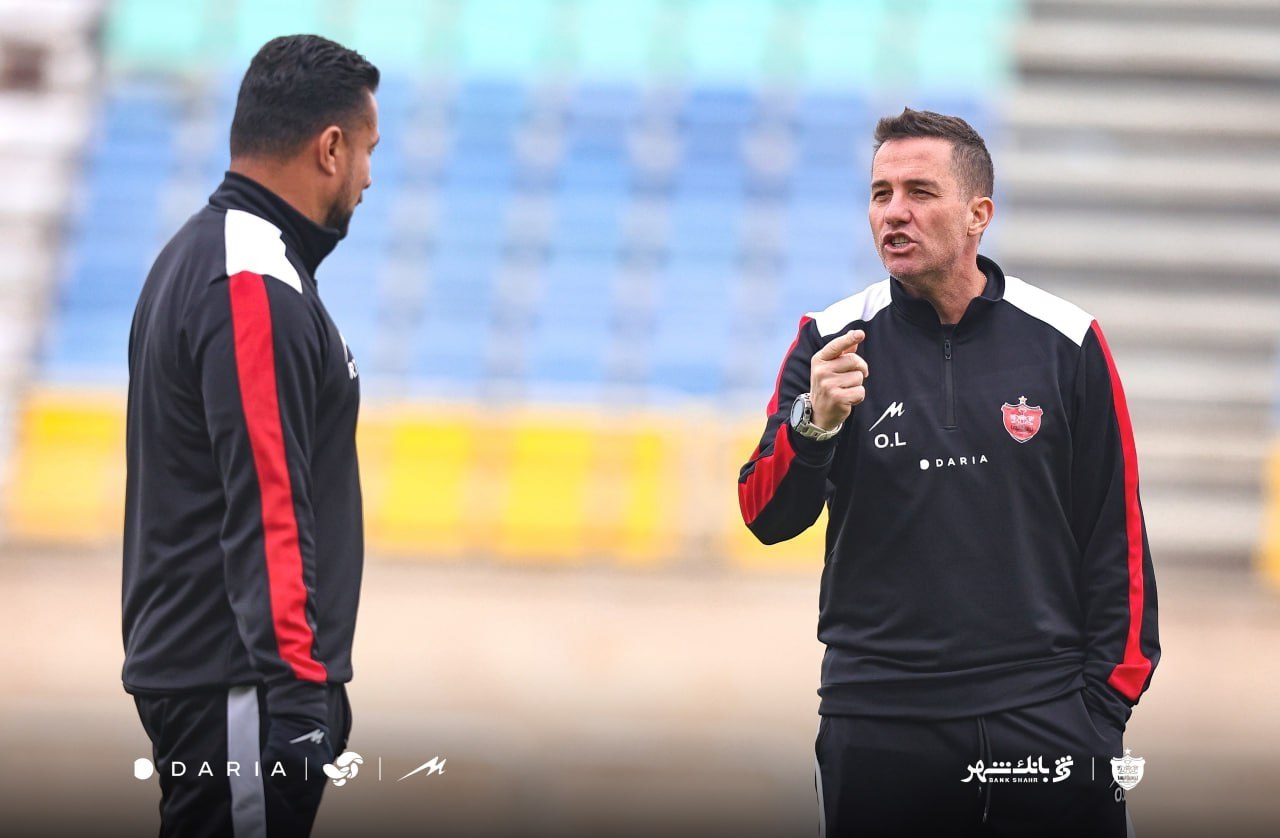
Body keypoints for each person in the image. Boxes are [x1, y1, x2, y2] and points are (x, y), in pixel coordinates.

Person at [737, 109, 1159, 836]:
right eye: (880, 194)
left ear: (977, 215)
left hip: (1047, 715)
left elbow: (1115, 537)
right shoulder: (830, 341)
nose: (893, 212)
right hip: (879, 717)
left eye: (919, 192)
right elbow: (765, 516)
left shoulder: (1068, 340)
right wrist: (814, 424)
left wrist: (1101, 710)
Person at [123, 34, 379, 837]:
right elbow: (268, 500)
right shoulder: (250, 279)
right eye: (368, 152)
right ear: (329, 148)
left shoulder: (218, 255)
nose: (369, 180)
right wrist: (299, 697)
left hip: (233, 680)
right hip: (242, 685)